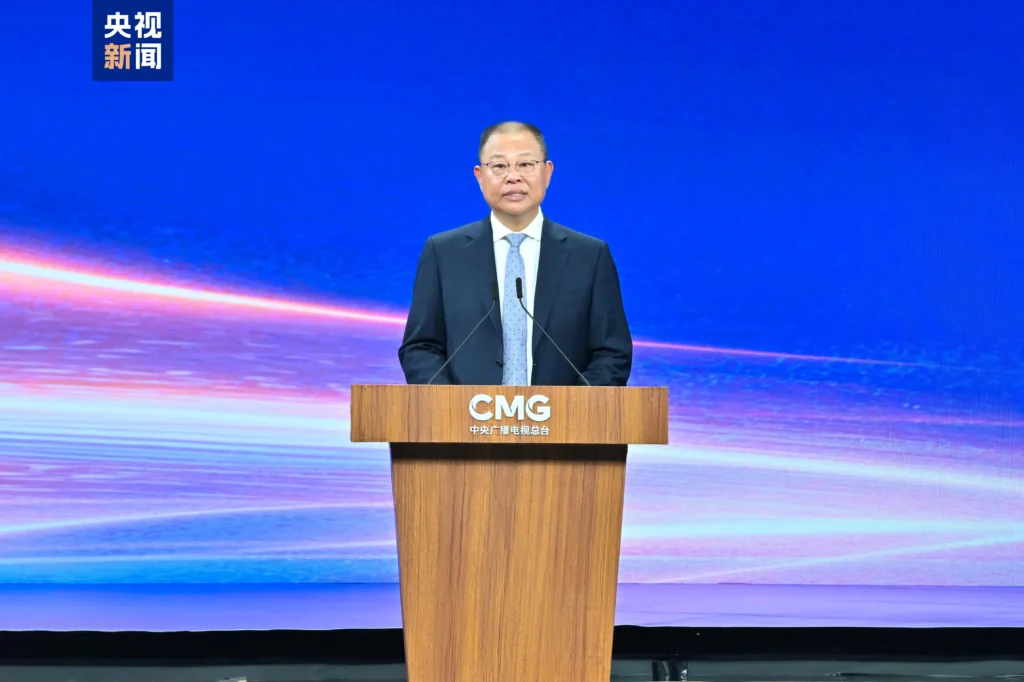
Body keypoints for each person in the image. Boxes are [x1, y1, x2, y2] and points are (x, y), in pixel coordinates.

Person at [398, 121, 632, 387]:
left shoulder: (590, 256)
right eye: (499, 166)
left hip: (565, 413)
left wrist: (569, 407)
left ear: (547, 172)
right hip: (464, 413)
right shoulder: (443, 253)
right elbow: (421, 348)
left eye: (525, 164)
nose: (513, 177)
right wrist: (452, 406)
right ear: (479, 176)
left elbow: (612, 353)